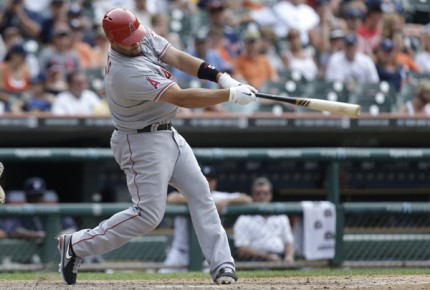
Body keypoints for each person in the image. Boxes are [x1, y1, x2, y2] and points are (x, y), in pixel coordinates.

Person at [57, 8, 257, 286]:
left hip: (167, 132)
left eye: (137, 35)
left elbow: (176, 56)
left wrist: (220, 77)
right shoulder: (126, 73)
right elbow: (181, 97)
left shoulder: (136, 35)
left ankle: (223, 265)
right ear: (113, 41)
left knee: (201, 194)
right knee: (148, 215)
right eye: (129, 40)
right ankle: (77, 244)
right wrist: (229, 95)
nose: (137, 41)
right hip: (140, 142)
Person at [160, 165, 252, 272]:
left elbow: (247, 199)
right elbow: (171, 198)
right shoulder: (187, 194)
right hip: (180, 253)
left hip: (207, 255)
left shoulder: (218, 197)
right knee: (161, 277)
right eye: (204, 178)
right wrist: (198, 201)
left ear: (215, 182)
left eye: (210, 179)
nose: (207, 182)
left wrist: (227, 201)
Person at [233, 177, 295, 263]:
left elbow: (288, 242)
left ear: (270, 195)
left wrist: (289, 256)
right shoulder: (244, 218)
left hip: (280, 257)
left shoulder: (281, 216)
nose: (262, 196)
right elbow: (242, 249)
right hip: (255, 260)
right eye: (258, 193)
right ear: (253, 195)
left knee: (303, 270)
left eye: (265, 193)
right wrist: (267, 256)